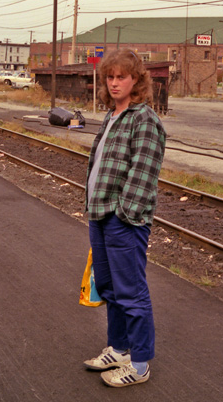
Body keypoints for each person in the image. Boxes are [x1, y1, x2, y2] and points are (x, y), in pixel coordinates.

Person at [83, 48, 166, 388]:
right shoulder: (112, 116)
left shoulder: (144, 119)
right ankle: (119, 349)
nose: (115, 83)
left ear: (136, 80)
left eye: (122, 77)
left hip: (123, 220)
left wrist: (125, 214)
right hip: (99, 214)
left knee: (131, 292)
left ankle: (141, 363)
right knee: (109, 288)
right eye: (110, 77)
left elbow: (143, 173)